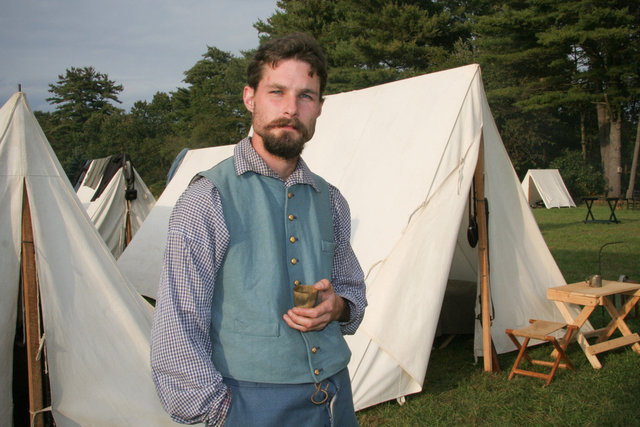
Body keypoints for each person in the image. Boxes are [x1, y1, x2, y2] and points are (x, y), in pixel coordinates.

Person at [150, 33, 367, 427]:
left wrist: (338, 307)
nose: (290, 108)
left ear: (320, 107)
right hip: (249, 405)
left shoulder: (330, 199)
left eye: (306, 96)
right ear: (250, 97)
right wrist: (222, 414)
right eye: (277, 92)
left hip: (336, 399)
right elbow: (177, 325)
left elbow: (352, 291)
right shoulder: (207, 199)